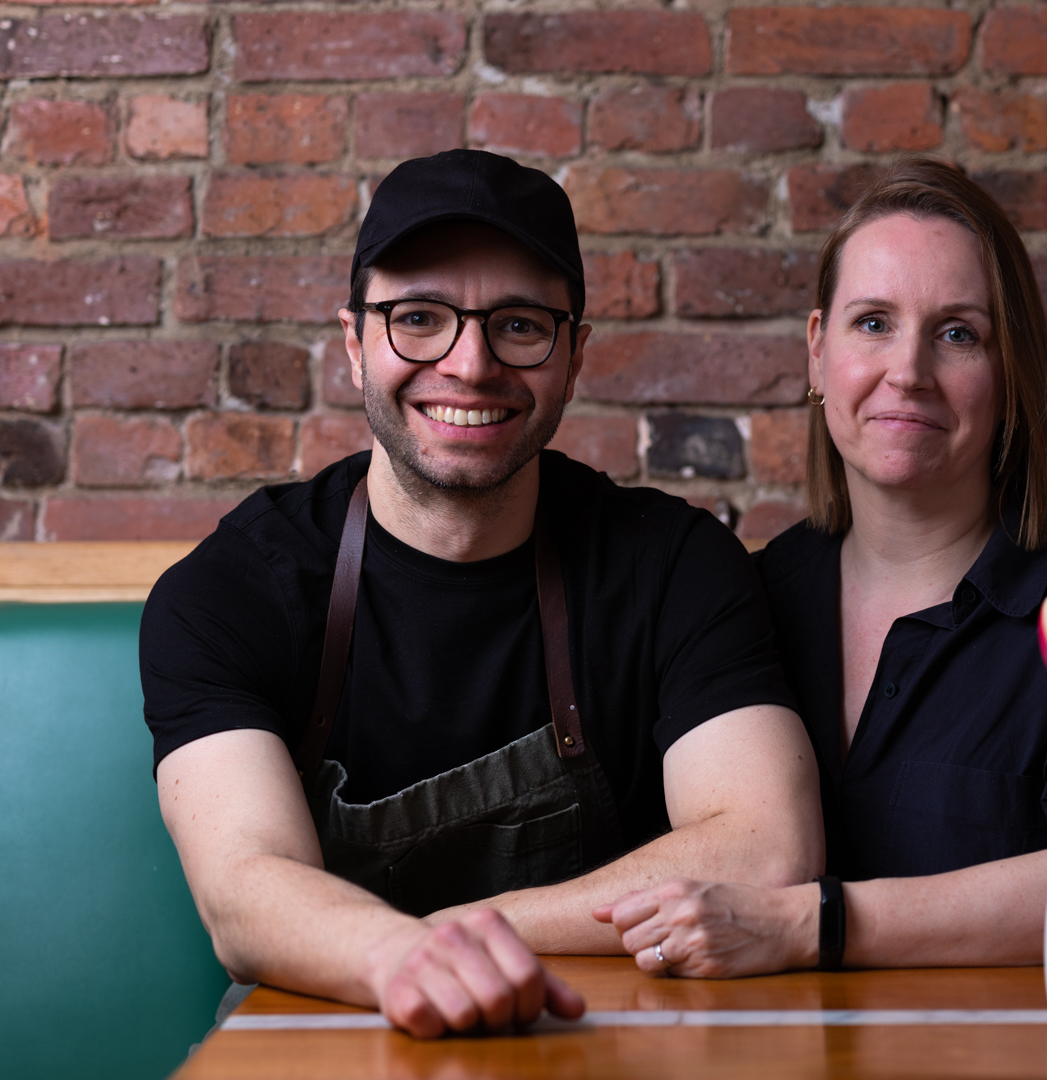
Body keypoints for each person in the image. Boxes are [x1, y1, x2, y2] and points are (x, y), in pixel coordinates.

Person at [596, 159, 1047, 1075]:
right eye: (873, 324)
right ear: (818, 351)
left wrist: (808, 922)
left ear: (1010, 370)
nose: (909, 372)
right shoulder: (744, 601)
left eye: (959, 335)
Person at [142, 149, 824, 1038]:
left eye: (519, 324)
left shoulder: (674, 567)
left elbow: (767, 849)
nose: (469, 365)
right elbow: (244, 890)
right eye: (418, 318)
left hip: (599, 1044)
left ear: (574, 355)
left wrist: (456, 939)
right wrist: (395, 962)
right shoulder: (232, 590)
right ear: (355, 344)